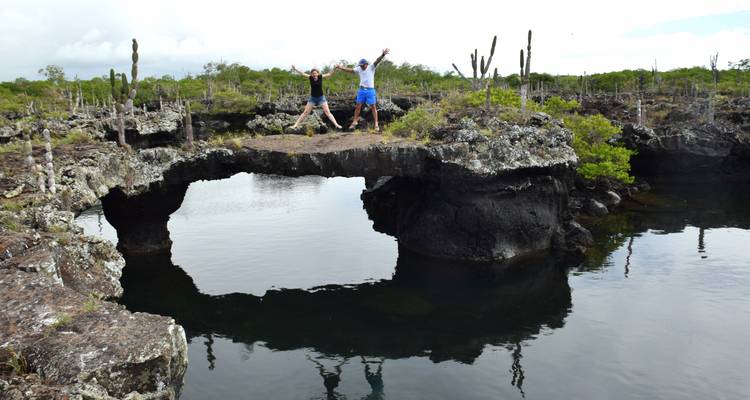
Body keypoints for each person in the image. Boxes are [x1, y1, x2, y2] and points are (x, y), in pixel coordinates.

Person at [335, 48, 390, 131]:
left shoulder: (371, 67)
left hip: (370, 90)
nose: (361, 66)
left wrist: (382, 55)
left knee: (373, 106)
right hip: (361, 90)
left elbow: (377, 61)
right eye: (360, 65)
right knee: (358, 106)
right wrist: (340, 67)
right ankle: (354, 122)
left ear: (366, 64)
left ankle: (376, 124)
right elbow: (350, 70)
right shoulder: (359, 68)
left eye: (362, 65)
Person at [290, 65, 343, 130]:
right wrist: (295, 69)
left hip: (321, 98)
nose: (314, 74)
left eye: (315, 73)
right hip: (312, 98)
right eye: (313, 73)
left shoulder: (320, 77)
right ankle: (295, 125)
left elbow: (329, 74)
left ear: (317, 73)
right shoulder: (310, 78)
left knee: (327, 112)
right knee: (305, 112)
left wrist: (335, 68)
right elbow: (302, 74)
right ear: (311, 74)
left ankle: (336, 125)